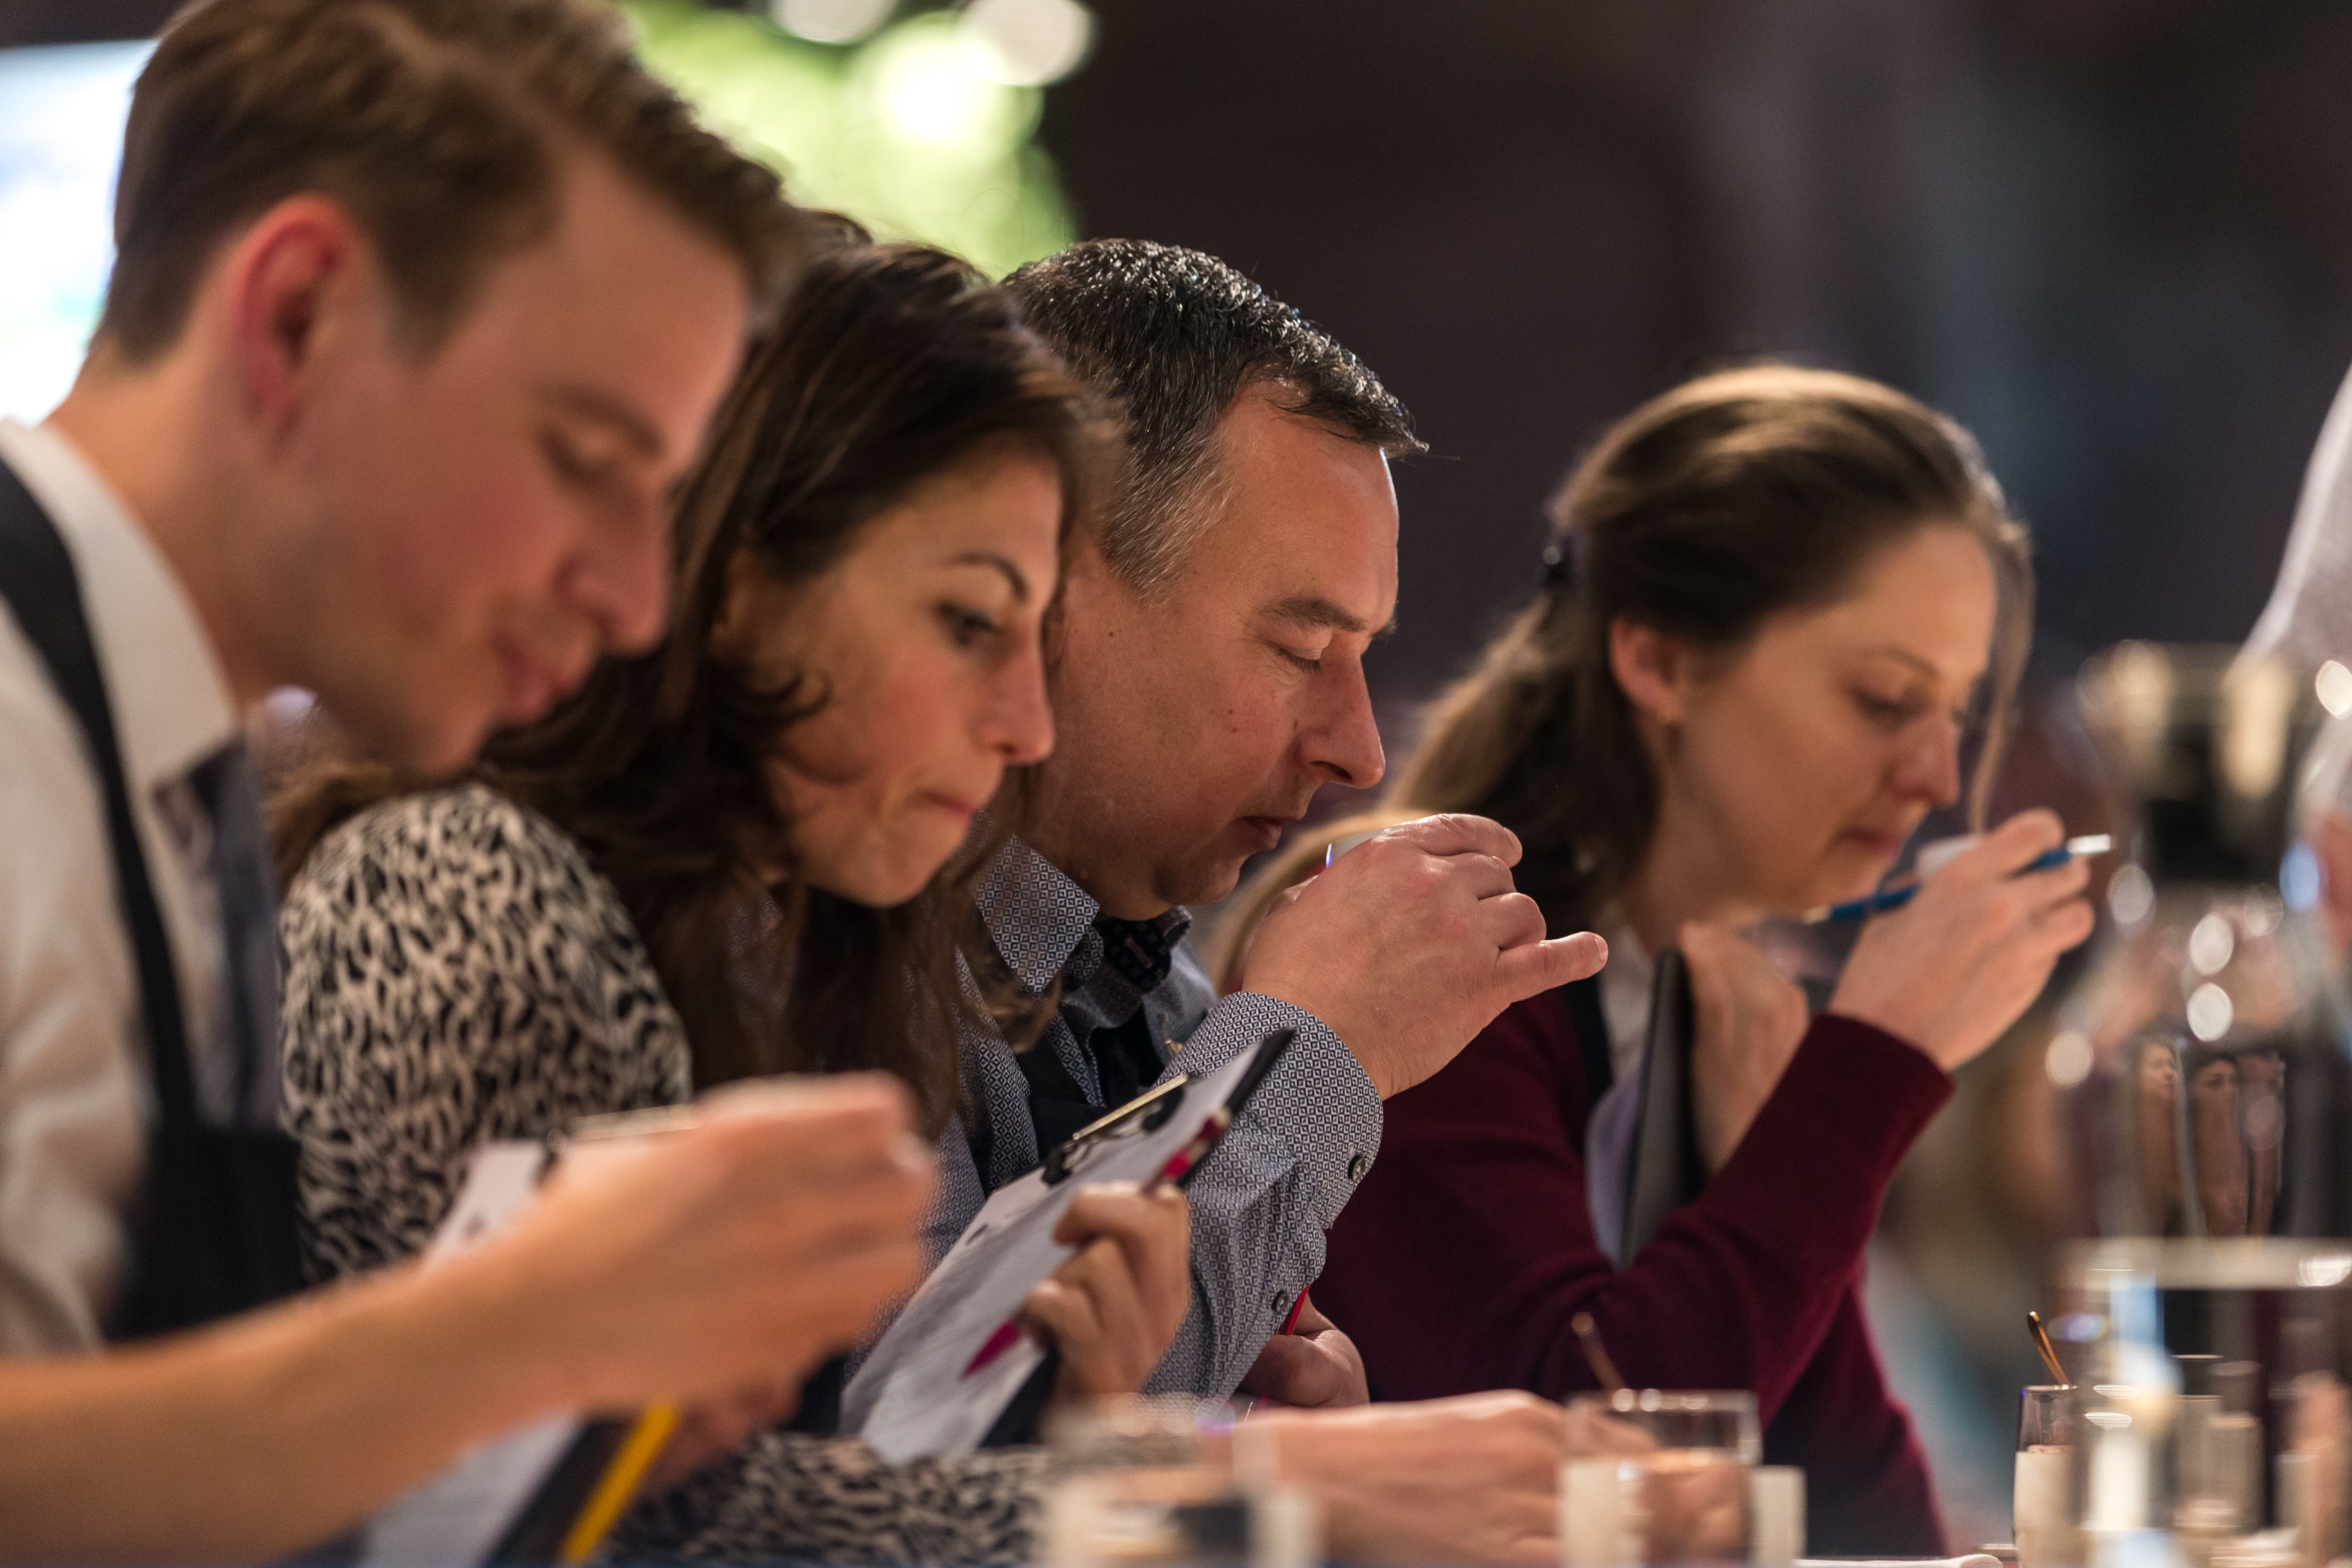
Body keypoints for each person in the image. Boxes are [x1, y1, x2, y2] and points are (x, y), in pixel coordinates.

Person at [0, 3, 937, 1559]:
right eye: (585, 455)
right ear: (298, 314)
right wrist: (523, 1325)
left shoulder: (169, 766)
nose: (641, 597)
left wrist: (520, 1421)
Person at [270, 241, 1190, 1566]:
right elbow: (609, 1530)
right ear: (744, 586)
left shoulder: (783, 946)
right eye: (968, 622)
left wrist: (1077, 1426)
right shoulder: (469, 891)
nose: (1027, 727)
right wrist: (1244, 1501)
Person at [1237, 366, 2096, 1552]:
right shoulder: (1441, 955)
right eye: (1885, 697)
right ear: (1662, 661)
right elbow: (1588, 1482)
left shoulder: (1716, 999)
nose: (1939, 779)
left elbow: (1867, 1526)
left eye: (1954, 712)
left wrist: (1788, 1143)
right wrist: (1867, 1072)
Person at [850, 237, 1600, 1565]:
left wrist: (1243, 1458)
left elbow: (1079, 1470)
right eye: (1302, 648)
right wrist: (1302, 1045)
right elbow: (902, 1492)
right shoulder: (824, 936)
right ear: (1053, 588)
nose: (1363, 751)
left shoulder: (1148, 975)